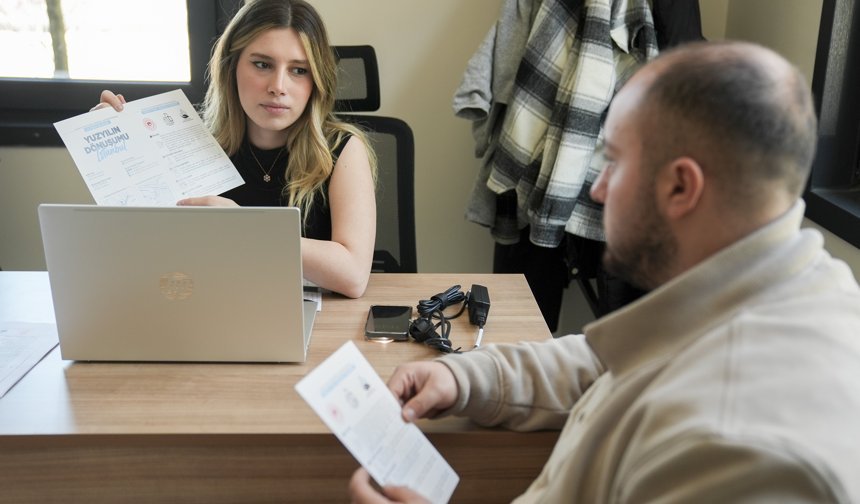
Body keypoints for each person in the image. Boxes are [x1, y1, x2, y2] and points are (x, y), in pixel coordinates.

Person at [349, 41, 860, 503]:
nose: (596, 189)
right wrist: (460, 376)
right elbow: (606, 362)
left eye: (613, 161)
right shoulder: (778, 284)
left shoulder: (738, 449)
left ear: (681, 188)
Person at [93, 0, 377, 299]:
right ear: (232, 67)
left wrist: (247, 227)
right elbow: (141, 250)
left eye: (298, 70)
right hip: (207, 306)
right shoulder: (187, 141)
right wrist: (116, 152)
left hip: (307, 318)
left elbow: (353, 276)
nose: (278, 86)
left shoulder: (342, 148)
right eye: (263, 64)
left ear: (317, 80)